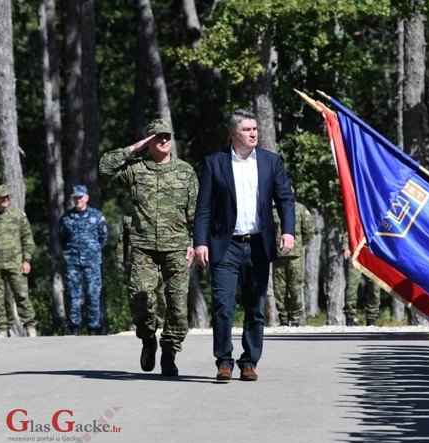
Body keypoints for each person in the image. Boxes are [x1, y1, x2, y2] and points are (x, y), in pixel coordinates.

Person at [194, 108, 295, 382]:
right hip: (225, 246)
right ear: (233, 133)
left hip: (259, 245)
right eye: (247, 129)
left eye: (255, 129)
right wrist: (200, 242)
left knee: (255, 306)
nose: (253, 133)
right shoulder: (215, 163)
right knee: (223, 306)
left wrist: (288, 231)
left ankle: (249, 362)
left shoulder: (271, 162)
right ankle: (223, 361)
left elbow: (285, 199)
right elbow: (203, 207)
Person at [99, 119, 198, 376]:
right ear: (149, 141)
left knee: (177, 305)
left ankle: (169, 352)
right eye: (157, 137)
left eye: (167, 136)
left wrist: (194, 243)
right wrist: (134, 148)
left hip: (176, 247)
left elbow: (195, 213)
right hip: (143, 247)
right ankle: (147, 339)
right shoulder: (136, 170)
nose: (163, 140)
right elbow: (106, 167)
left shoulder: (185, 172)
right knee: (140, 297)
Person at [59, 185, 108, 336]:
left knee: (93, 294)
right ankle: (74, 327)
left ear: (86, 197)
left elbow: (103, 237)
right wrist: (69, 253)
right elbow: (61, 238)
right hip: (73, 263)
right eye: (75, 197)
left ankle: (93, 327)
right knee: (73, 295)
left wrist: (93, 251)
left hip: (92, 263)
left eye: (80, 197)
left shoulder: (96, 216)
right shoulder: (66, 218)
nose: (78, 200)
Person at [0, 184, 36, 337]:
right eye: (2, 197)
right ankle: (2, 329)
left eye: (7, 197)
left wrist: (27, 260)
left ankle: (30, 327)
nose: (6, 199)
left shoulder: (17, 216)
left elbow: (27, 239)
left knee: (22, 295)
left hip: (15, 264)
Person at [272, 188, 315, 326]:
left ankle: (296, 319)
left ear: (293, 191)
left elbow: (309, 230)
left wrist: (299, 244)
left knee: (295, 287)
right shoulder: (272, 210)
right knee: (279, 289)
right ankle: (283, 318)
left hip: (295, 256)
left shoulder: (301, 209)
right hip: (278, 255)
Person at [116, 215, 166, 329]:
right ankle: (145, 324)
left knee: (162, 295)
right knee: (139, 295)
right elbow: (122, 240)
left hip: (160, 260)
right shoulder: (129, 218)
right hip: (137, 261)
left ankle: (161, 322)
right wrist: (121, 261)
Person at [341, 231, 381, 326]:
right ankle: (350, 316)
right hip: (356, 250)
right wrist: (346, 247)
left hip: (373, 251)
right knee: (352, 286)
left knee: (375, 287)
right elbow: (349, 227)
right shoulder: (356, 215)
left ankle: (371, 317)